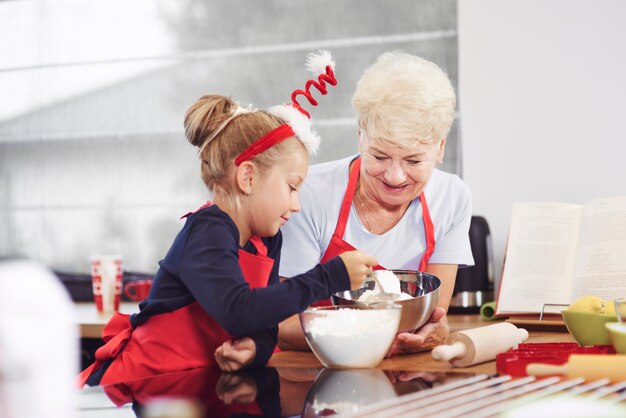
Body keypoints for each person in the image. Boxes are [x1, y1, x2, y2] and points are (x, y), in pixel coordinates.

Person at [77, 51, 378, 387]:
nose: (296, 205)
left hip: (196, 385)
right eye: (292, 188)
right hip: (142, 382)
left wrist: (256, 348)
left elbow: (264, 324)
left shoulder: (268, 240)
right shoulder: (208, 230)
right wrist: (329, 276)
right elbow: (239, 310)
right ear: (248, 178)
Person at [278, 50, 474, 355]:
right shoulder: (307, 194)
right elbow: (283, 324)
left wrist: (435, 331)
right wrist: (371, 337)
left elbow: (434, 314)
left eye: (413, 160)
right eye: (380, 156)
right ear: (360, 137)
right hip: (311, 372)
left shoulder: (452, 198)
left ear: (440, 149)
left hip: (403, 371)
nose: (395, 177)